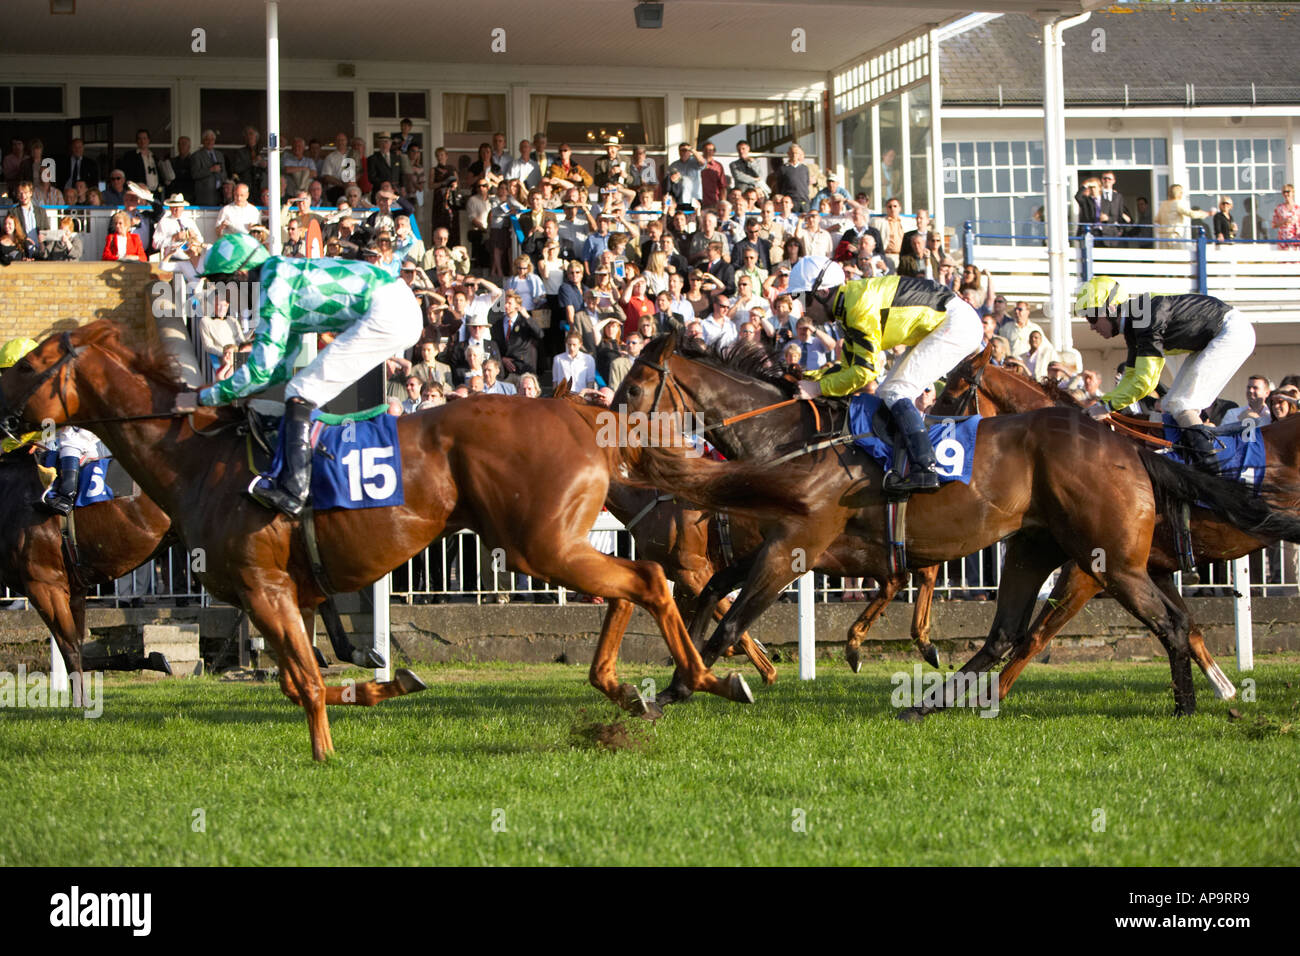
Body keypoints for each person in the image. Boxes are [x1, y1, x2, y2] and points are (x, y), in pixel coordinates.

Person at [183, 233, 422, 516]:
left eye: (223, 284)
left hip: (389, 312)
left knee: (301, 392)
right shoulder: (280, 274)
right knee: (298, 388)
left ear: (241, 274)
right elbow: (280, 367)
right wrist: (238, 392)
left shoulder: (274, 286)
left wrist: (205, 396)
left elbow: (260, 370)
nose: (223, 295)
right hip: (396, 306)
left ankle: (294, 490)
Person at [788, 256, 982, 493]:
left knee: (895, 390)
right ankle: (904, 463)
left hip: (956, 324)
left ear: (824, 292)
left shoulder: (857, 307)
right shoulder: (847, 305)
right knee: (887, 391)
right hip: (944, 322)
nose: (803, 310)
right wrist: (811, 379)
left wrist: (817, 389)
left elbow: (865, 372)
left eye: (804, 298)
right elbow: (848, 367)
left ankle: (925, 467)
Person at [1075, 275, 1256, 474]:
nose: (1091, 326)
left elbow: (1145, 382)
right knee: (1171, 403)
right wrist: (1104, 404)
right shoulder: (1135, 321)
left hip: (1232, 332)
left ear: (1110, 309)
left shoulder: (1143, 319)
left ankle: (1214, 472)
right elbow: (1132, 375)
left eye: (1092, 318)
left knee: (1183, 404)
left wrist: (1107, 406)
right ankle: (1193, 458)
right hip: (1216, 334)